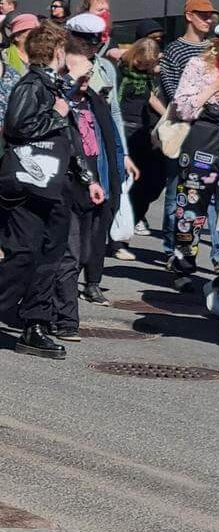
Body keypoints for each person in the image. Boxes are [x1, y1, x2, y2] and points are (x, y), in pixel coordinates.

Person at [0, 22, 97, 359]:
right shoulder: (33, 84)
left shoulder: (54, 87)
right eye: (66, 50)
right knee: (24, 254)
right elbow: (17, 126)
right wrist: (57, 114)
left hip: (55, 185)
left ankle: (35, 326)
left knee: (50, 257)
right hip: (31, 185)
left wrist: (86, 177)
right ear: (57, 51)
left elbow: (68, 142)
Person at [53, 29, 122, 335]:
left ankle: (57, 311)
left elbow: (112, 143)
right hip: (67, 186)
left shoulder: (95, 102)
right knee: (67, 255)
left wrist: (115, 180)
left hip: (98, 185)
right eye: (80, 75)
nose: (85, 81)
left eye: (88, 75)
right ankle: (64, 319)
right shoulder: (58, 102)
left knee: (83, 254)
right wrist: (67, 91)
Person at [169, 21, 219, 285]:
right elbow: (181, 107)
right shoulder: (197, 66)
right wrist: (213, 90)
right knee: (191, 204)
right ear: (216, 45)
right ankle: (182, 264)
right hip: (201, 138)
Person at [158, 0, 218, 261]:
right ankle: (174, 251)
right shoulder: (174, 50)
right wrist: (209, 101)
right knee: (178, 193)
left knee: (215, 195)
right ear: (188, 15)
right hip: (184, 130)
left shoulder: (216, 50)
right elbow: (173, 91)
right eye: (202, 14)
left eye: (210, 15)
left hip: (214, 133)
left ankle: (218, 257)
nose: (208, 19)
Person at [117, 37, 165, 236]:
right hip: (124, 127)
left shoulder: (147, 77)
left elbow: (151, 97)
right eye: (140, 62)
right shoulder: (121, 71)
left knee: (150, 182)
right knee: (125, 181)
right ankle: (120, 228)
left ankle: (131, 218)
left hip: (143, 130)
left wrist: (167, 117)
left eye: (147, 64)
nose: (142, 66)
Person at [0, 14, 41, 121]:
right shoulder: (5, 58)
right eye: (31, 33)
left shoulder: (40, 59)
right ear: (17, 37)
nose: (37, 38)